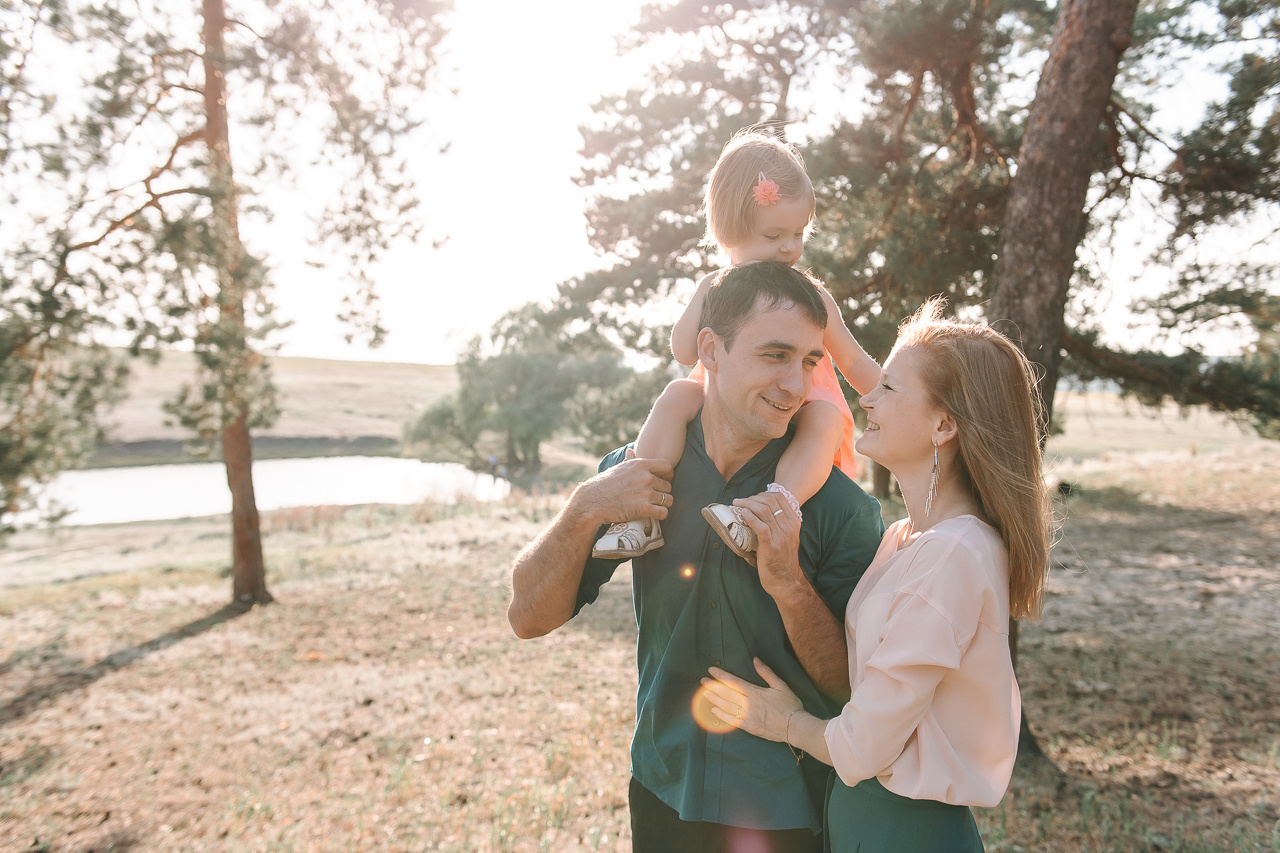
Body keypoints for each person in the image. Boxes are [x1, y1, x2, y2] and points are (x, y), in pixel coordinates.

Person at [508, 261, 886, 853]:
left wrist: (788, 584)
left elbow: (857, 693)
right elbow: (527, 618)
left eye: (811, 362)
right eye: (775, 355)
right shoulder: (635, 477)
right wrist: (583, 507)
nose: (796, 384)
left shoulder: (842, 511)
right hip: (663, 788)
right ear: (710, 348)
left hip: (791, 809)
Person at [701, 299, 1054, 852]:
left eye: (889, 388)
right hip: (868, 824)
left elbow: (864, 745)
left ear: (943, 425)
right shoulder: (906, 538)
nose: (867, 399)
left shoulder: (953, 555)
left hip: (904, 831)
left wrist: (786, 723)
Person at [592, 128, 880, 565]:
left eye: (799, 234)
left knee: (825, 418)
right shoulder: (715, 288)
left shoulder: (812, 297)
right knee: (677, 393)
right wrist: (707, 291)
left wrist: (892, 396)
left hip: (801, 400)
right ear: (730, 232)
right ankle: (640, 513)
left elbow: (852, 358)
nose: (789, 247)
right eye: (773, 236)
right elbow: (685, 352)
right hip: (728, 397)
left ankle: (772, 507)